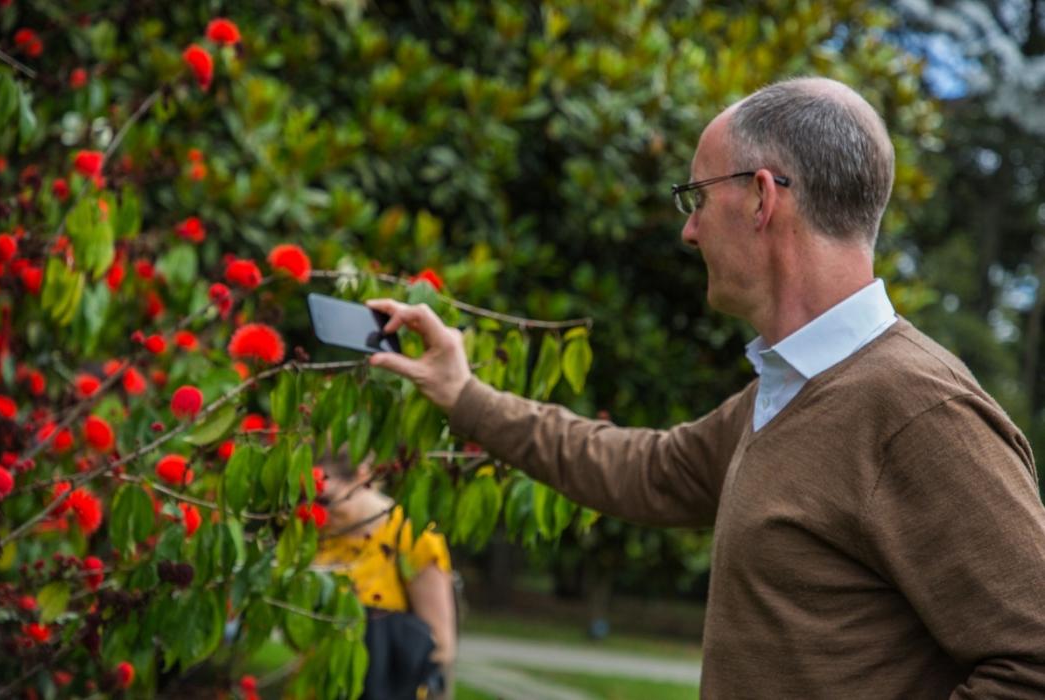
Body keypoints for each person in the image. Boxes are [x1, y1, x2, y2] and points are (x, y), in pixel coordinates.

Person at [363, 77, 1045, 698]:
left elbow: (1031, 663)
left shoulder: (918, 411)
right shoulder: (784, 394)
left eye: (697, 196)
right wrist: (465, 393)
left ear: (760, 198)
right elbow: (644, 468)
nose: (688, 232)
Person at [312, 447, 456, 699]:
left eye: (325, 500)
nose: (318, 512)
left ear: (361, 476)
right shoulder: (319, 536)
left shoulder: (412, 536)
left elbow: (441, 647)